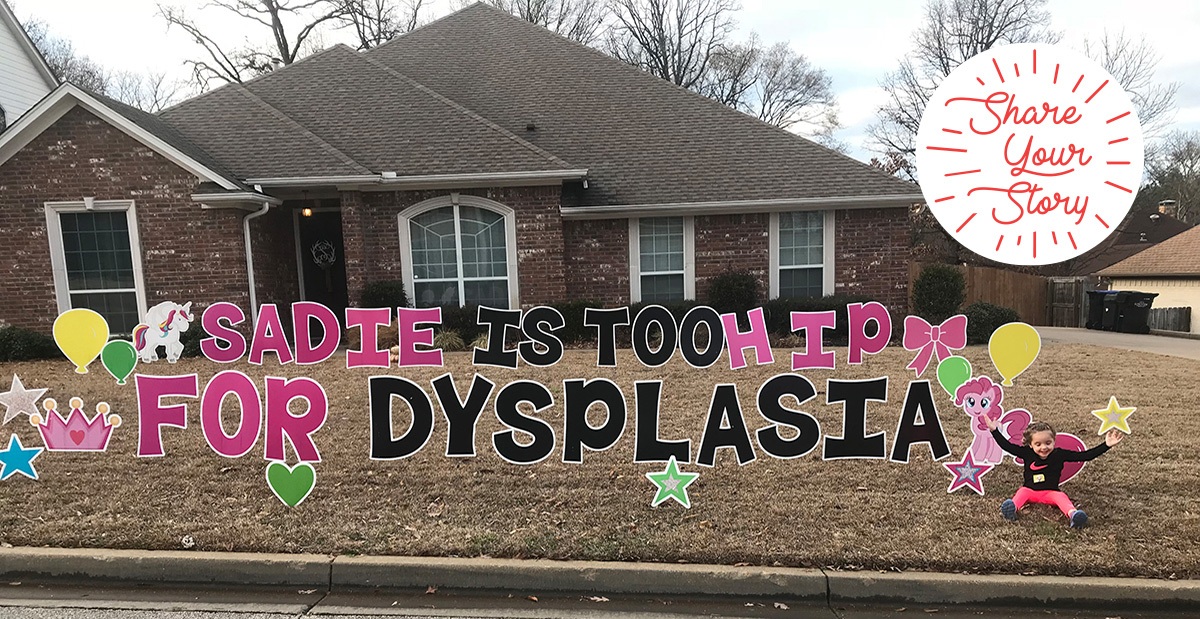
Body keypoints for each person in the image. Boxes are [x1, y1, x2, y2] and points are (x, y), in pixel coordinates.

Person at [984, 416, 1124, 528]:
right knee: (1021, 492)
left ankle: (1074, 515)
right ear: (1030, 445)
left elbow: (1086, 456)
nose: (1044, 447)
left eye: (1048, 443)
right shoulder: (1026, 453)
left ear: (1054, 441)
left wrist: (1106, 445)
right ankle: (1012, 509)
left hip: (1051, 493)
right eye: (1038, 444)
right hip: (1030, 491)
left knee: (1062, 497)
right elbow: (1007, 446)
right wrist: (994, 431)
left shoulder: (1059, 454)